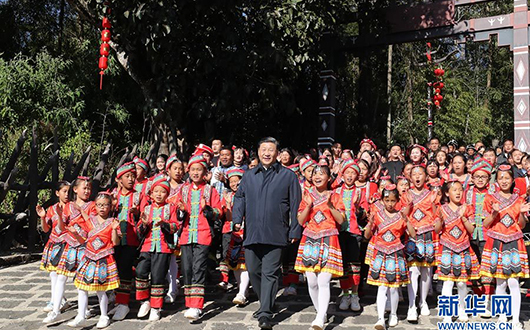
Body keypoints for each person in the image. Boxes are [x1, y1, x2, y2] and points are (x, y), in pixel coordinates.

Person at [232, 137, 302, 330]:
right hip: (253, 231)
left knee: (270, 273)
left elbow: (296, 204)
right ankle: (267, 302)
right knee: (254, 270)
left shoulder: (288, 176)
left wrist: (295, 229)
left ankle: (265, 314)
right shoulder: (249, 175)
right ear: (258, 152)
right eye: (263, 149)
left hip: (276, 231)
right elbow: (240, 197)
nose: (267, 153)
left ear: (278, 153)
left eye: (271, 150)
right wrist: (237, 219)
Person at [295, 165, 345, 330]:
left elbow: (341, 220)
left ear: (329, 178)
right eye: (315, 174)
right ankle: (321, 313)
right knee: (312, 282)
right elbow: (301, 221)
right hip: (310, 239)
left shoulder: (335, 196)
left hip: (329, 238)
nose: (317, 176)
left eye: (322, 174)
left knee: (324, 281)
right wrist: (308, 206)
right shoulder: (307, 196)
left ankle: (320, 318)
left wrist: (330, 206)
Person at [480, 165, 530, 330]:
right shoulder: (490, 198)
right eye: (501, 178)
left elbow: (521, 225)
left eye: (507, 178)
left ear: (513, 180)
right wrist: (494, 214)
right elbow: (485, 224)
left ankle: (515, 318)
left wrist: (522, 213)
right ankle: (502, 316)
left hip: (514, 242)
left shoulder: (519, 199)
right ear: (497, 180)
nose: (504, 181)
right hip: (496, 242)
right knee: (500, 282)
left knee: (514, 282)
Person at [175, 154, 222, 321]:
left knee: (198, 268)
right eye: (193, 169)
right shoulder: (184, 189)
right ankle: (190, 302)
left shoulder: (210, 190)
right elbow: (177, 214)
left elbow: (218, 212)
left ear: (205, 172)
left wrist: (207, 208)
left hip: (203, 234)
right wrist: (181, 209)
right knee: (186, 269)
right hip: (187, 235)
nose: (195, 172)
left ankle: (196, 305)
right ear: (189, 171)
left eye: (199, 169)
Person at [365, 184, 415, 330]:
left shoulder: (401, 216)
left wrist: (407, 220)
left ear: (398, 200)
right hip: (380, 252)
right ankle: (380, 318)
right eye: (387, 201)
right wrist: (370, 224)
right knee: (381, 287)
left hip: (395, 253)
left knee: (393, 288)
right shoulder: (377, 215)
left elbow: (412, 234)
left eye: (393, 201)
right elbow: (367, 235)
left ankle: (393, 313)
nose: (390, 204)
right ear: (382, 200)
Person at [68, 192, 120, 328]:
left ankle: (104, 316)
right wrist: (74, 233)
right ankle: (81, 315)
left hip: (104, 259)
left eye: (105, 205)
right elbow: (82, 240)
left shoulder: (112, 222)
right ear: (95, 206)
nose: (102, 208)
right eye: (99, 205)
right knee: (81, 288)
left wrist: (114, 230)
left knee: (101, 290)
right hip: (89, 258)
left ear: (110, 206)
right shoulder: (90, 221)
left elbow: (115, 243)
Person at [434, 181, 479, 323]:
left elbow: (472, 230)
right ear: (447, 193)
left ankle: (462, 309)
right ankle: (447, 313)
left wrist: (463, 218)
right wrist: (440, 221)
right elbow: (436, 230)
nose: (458, 193)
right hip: (447, 247)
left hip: (463, 247)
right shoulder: (441, 209)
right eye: (454, 190)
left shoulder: (467, 208)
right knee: (447, 282)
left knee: (461, 283)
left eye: (460, 190)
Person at [135, 176, 179, 321]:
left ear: (167, 194)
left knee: (157, 277)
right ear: (151, 193)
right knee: (140, 271)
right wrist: (144, 224)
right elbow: (139, 231)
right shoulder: (147, 208)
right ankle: (145, 301)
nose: (159, 194)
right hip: (147, 246)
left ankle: (156, 307)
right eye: (156, 191)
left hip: (163, 248)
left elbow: (174, 227)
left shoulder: (170, 208)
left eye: (163, 192)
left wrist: (164, 224)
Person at [401, 165, 439, 322]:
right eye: (414, 174)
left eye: (420, 174)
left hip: (428, 235)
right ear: (410, 177)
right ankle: (412, 305)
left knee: (427, 271)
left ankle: (423, 301)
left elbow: (437, 215)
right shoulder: (405, 195)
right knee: (413, 271)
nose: (417, 177)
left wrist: (434, 204)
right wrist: (408, 206)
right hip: (411, 235)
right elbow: (401, 215)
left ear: (426, 177)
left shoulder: (432, 195)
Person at [110, 162, 141, 321]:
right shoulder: (112, 195)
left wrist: (137, 213)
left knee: (125, 269)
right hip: (113, 239)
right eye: (127, 176)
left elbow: (144, 217)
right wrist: (112, 206)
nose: (131, 179)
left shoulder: (138, 195)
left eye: (133, 176)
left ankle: (124, 303)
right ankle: (117, 300)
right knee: (114, 269)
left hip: (130, 239)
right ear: (119, 179)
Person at [466, 158, 496, 316]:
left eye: (483, 177)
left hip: (487, 235)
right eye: (477, 176)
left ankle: (488, 300)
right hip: (471, 235)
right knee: (473, 267)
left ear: (488, 178)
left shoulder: (493, 194)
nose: (480, 180)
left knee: (487, 269)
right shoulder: (468, 193)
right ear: (472, 178)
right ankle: (477, 299)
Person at [38, 181, 71, 317]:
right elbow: (46, 229)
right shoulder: (51, 209)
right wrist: (43, 217)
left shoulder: (72, 208)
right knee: (53, 273)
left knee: (62, 274)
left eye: (69, 191)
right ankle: (57, 299)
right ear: (57, 193)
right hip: (54, 243)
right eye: (64, 191)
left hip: (67, 243)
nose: (67, 194)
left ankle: (56, 301)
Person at [336, 160, 363, 312]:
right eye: (348, 172)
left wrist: (358, 207)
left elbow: (365, 214)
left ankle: (355, 294)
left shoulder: (360, 192)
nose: (350, 176)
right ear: (343, 174)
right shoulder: (336, 192)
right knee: (343, 265)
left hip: (354, 231)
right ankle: (345, 294)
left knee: (355, 265)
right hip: (340, 231)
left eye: (353, 173)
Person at [221, 168, 250, 305]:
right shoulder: (228, 196)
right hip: (233, 232)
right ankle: (241, 289)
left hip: (247, 231)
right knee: (235, 263)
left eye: (237, 181)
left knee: (245, 263)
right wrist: (227, 204)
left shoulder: (249, 195)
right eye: (231, 182)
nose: (234, 184)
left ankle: (242, 292)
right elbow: (228, 218)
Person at [165, 154, 185, 303]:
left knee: (175, 258)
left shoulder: (185, 188)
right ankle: (170, 286)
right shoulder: (162, 187)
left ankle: (173, 288)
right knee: (167, 258)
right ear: (168, 170)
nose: (178, 171)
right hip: (165, 227)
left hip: (181, 227)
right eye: (175, 168)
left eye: (180, 169)